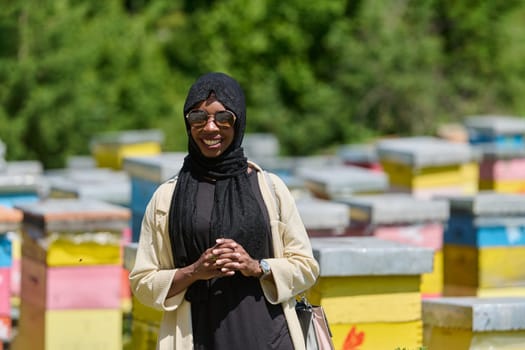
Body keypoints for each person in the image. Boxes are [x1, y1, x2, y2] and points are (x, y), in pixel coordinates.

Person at [129, 72, 319, 350]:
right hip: (199, 337)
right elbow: (143, 283)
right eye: (198, 118)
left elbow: (306, 267)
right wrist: (194, 271)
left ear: (238, 121)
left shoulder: (270, 188)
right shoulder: (166, 198)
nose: (210, 128)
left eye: (223, 118)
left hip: (270, 338)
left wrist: (256, 266)